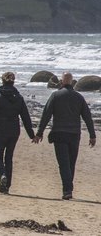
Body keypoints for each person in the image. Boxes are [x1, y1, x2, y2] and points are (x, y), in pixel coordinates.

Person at [34, 72, 96, 200]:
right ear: (72, 82)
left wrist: (40, 133)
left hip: (60, 134)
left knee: (63, 164)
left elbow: (46, 115)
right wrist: (92, 135)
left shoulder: (55, 96)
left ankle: (67, 190)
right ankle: (68, 189)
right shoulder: (79, 97)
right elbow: (87, 117)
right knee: (71, 163)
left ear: (61, 82)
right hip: (74, 135)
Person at [0, 72, 35, 194]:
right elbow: (25, 117)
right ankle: (7, 186)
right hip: (14, 130)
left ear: (2, 81)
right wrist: (32, 135)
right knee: (9, 158)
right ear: (13, 82)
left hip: (0, 129)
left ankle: (2, 175)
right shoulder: (18, 97)